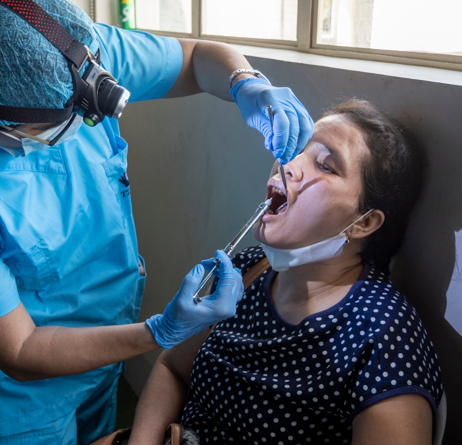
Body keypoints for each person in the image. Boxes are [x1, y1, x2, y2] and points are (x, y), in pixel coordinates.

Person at [0, 0, 314, 445]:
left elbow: (197, 59)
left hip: (107, 342)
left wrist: (245, 82)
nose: (81, 125)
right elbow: (21, 350)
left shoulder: (73, 53)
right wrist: (159, 332)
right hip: (20, 392)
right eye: (58, 121)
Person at [130, 100, 443, 445]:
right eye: (297, 149)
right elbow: (172, 369)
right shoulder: (247, 270)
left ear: (364, 222)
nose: (288, 166)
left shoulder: (383, 334)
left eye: (326, 165)